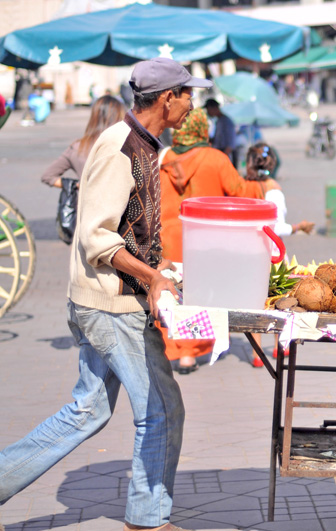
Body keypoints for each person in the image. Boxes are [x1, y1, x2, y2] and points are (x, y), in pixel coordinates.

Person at [0, 57, 212, 531]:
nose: (192, 104)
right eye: (187, 94)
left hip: (106, 301)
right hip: (110, 307)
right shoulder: (120, 147)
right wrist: (152, 277)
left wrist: (162, 268)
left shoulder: (144, 144)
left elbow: (128, 229)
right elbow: (97, 237)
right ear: (166, 99)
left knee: (87, 412)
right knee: (161, 409)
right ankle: (148, 520)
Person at [159, 108, 267, 375]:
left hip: (168, 238)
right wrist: (264, 185)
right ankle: (191, 352)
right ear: (202, 128)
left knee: (175, 296)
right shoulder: (216, 159)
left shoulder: (163, 158)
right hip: (204, 239)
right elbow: (240, 192)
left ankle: (178, 351)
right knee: (200, 294)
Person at [243, 142, 314, 366]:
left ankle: (256, 355)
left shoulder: (242, 187)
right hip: (273, 253)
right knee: (278, 300)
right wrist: (298, 226)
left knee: (254, 303)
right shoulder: (274, 189)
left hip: (247, 251)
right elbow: (277, 227)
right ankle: (279, 347)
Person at [40, 95, 126, 190]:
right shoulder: (126, 145)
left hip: (85, 203)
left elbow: (48, 176)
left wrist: (77, 185)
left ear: (94, 118)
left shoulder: (78, 147)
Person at [204, 98, 237, 166]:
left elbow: (230, 144)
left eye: (208, 109)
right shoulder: (219, 121)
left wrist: (222, 158)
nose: (207, 112)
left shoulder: (226, 121)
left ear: (214, 108)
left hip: (223, 157)